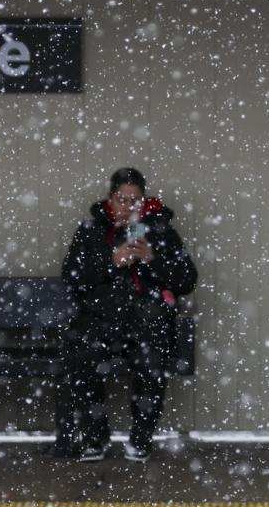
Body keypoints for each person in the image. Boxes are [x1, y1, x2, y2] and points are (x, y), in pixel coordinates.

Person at [55, 167, 197, 463]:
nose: (129, 207)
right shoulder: (92, 230)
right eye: (122, 199)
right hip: (101, 316)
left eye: (135, 200)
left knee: (152, 358)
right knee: (79, 351)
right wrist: (112, 261)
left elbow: (186, 279)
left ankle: (140, 438)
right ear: (110, 198)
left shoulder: (160, 230)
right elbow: (72, 276)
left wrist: (152, 261)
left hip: (147, 317)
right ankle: (95, 437)